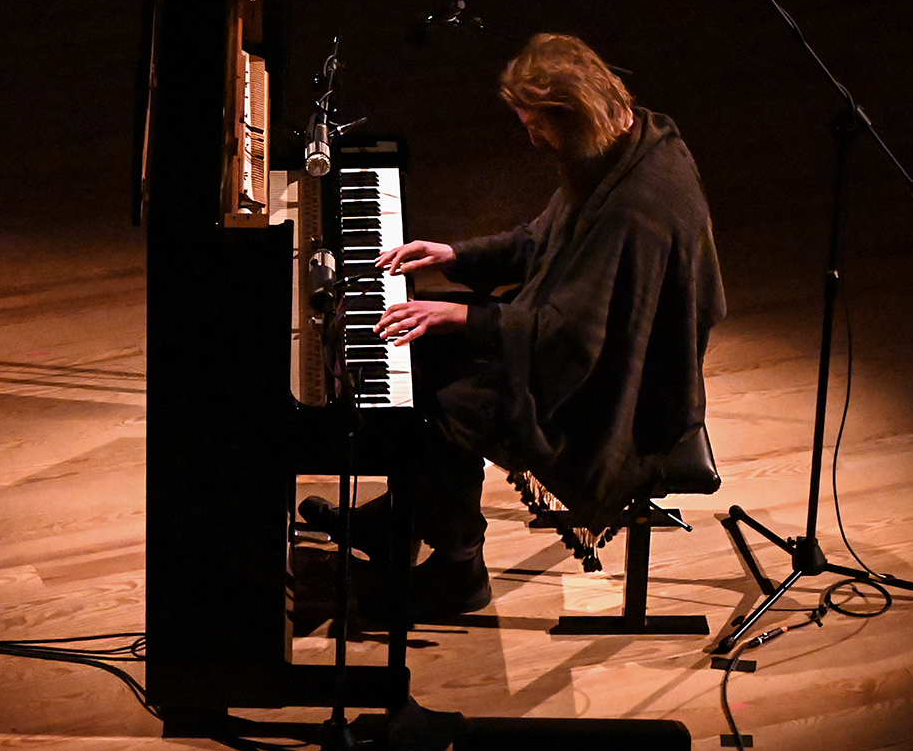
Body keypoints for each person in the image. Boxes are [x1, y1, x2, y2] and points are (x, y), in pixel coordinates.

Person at [311, 34, 725, 617]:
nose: (532, 140)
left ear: (575, 117)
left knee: (449, 408)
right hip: (579, 347)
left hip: (621, 393)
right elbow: (539, 243)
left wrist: (464, 316)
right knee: (417, 349)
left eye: (538, 126)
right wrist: (454, 256)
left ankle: (459, 570)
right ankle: (400, 520)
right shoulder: (620, 145)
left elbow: (574, 337)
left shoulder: (635, 206)